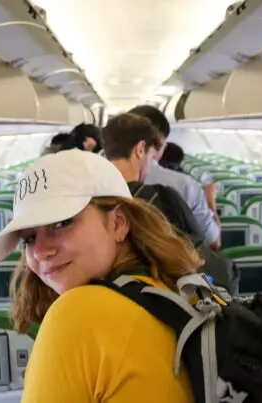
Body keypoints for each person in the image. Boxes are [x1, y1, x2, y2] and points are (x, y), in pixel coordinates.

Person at [0, 149, 200, 402]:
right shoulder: (175, 290)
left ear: (118, 223)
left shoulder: (78, 313)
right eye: (29, 239)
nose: (41, 252)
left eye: (62, 223)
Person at [102, 113, 237, 291]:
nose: (151, 164)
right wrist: (210, 200)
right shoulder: (166, 197)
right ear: (141, 149)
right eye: (151, 156)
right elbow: (206, 247)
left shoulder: (89, 195)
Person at [128, 105, 221, 251]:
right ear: (160, 141)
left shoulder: (97, 175)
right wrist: (210, 200)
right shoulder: (185, 186)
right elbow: (213, 242)